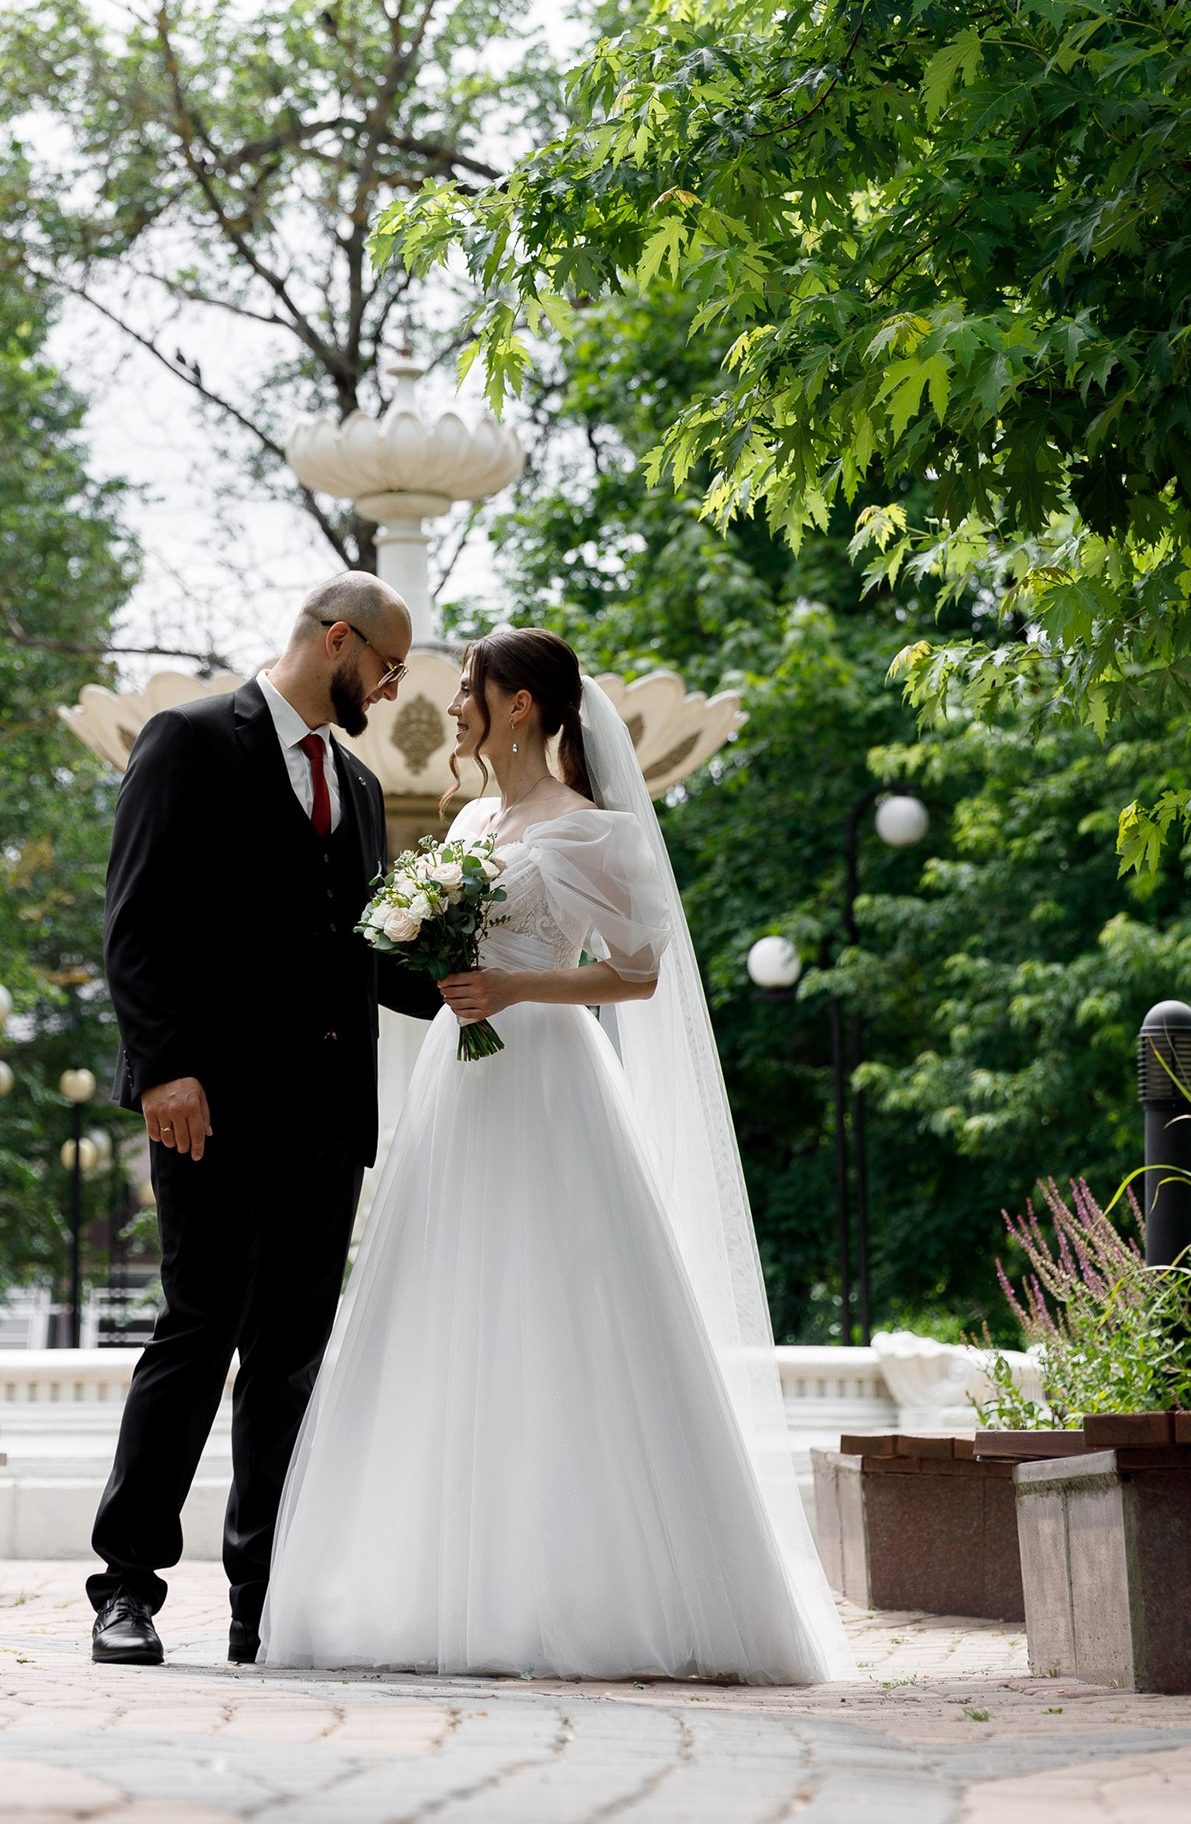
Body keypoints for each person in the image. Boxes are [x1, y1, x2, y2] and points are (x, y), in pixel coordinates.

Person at [259, 627, 847, 1683]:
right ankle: (416, 1585)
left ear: (519, 706)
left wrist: (521, 986)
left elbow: (636, 976)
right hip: (461, 1079)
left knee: (560, 1302)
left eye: (470, 692)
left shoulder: (595, 834)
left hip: (548, 1080)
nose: (453, 710)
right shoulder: (477, 819)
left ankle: (589, 1587)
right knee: (441, 1303)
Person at [85, 571, 442, 1668]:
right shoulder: (188, 739)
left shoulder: (361, 787)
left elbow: (358, 953)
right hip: (213, 1107)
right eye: (383, 668)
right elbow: (137, 921)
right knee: (195, 1333)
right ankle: (127, 1588)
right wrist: (164, 1071)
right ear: (336, 639)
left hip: (330, 1120)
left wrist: (488, 987)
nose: (387, 693)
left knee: (288, 1360)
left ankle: (262, 1602)